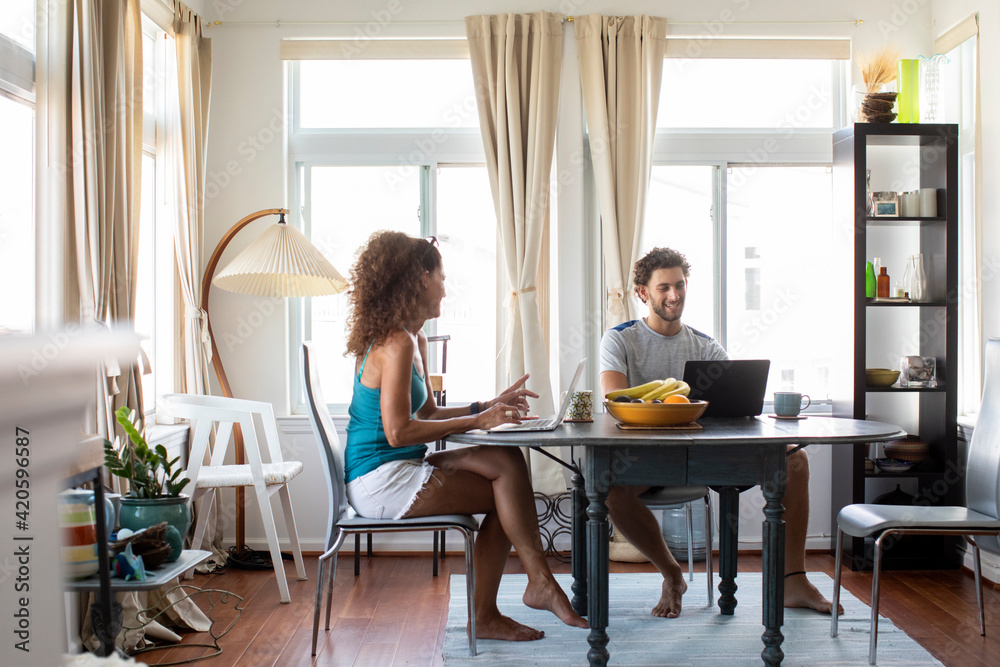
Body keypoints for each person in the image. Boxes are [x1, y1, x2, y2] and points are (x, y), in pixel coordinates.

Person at [344, 230, 588, 642]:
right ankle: (523, 593)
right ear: (422, 278)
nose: (445, 286)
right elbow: (398, 431)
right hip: (379, 480)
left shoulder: (413, 337)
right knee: (503, 491)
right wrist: (479, 422)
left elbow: (429, 414)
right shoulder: (396, 341)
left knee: (506, 464)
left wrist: (486, 407)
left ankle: (525, 592)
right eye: (441, 276)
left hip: (399, 465)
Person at [599, 246, 842, 620]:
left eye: (679, 285)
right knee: (611, 489)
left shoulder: (706, 346)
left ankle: (793, 581)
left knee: (796, 460)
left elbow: (736, 408)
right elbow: (614, 400)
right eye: (663, 287)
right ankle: (671, 572)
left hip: (707, 454)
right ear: (643, 293)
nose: (674, 295)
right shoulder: (619, 340)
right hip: (646, 455)